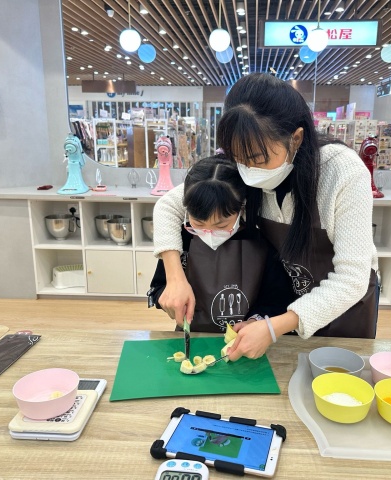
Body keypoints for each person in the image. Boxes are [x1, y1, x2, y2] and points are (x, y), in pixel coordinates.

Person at [153, 73, 379, 360]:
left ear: (296, 138)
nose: (247, 170)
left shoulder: (341, 170)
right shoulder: (245, 155)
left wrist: (273, 328)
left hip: (346, 308)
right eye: (239, 159)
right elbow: (169, 206)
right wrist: (175, 278)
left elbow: (352, 279)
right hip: (286, 306)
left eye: (258, 160)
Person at [148, 154, 293, 332]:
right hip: (194, 336)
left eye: (221, 226)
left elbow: (277, 298)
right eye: (198, 224)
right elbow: (158, 287)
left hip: (249, 336)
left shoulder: (261, 238)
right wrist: (170, 298)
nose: (209, 233)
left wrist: (255, 321)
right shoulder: (180, 238)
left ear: (241, 208)